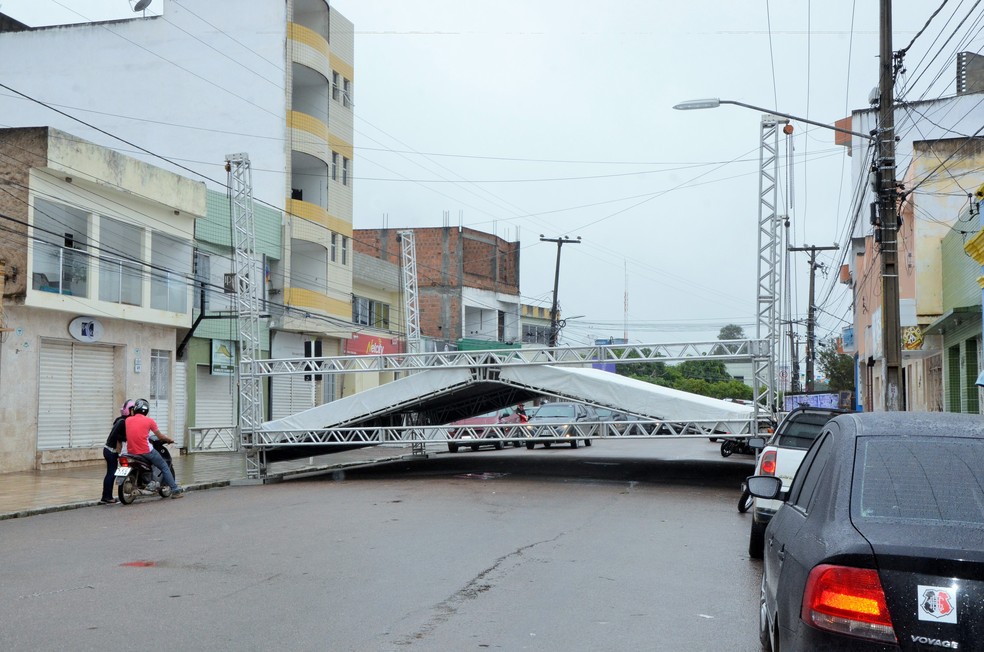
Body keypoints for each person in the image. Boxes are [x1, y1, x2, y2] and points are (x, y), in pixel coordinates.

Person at [125, 398, 184, 499]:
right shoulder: (149, 421)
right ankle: (175, 490)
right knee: (164, 466)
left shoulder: (128, 420)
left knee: (152, 463)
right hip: (145, 450)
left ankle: (148, 481)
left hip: (131, 451)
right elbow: (160, 437)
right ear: (146, 410)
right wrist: (169, 440)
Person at [100, 399, 135, 505]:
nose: (134, 411)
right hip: (111, 451)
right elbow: (115, 435)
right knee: (111, 473)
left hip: (109, 450)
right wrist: (127, 438)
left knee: (110, 473)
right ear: (129, 410)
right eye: (133, 409)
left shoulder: (119, 420)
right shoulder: (123, 422)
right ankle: (107, 497)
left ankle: (106, 496)